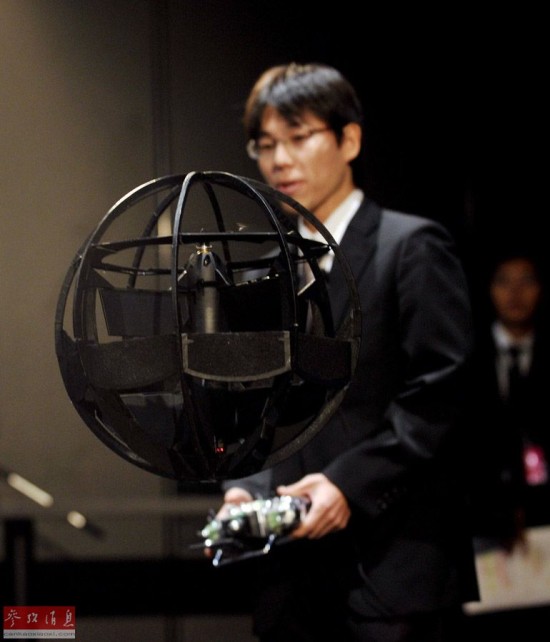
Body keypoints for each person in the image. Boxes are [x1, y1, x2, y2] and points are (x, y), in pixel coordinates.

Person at [209, 62, 479, 642]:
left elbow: (443, 394)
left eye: (299, 137)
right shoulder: (267, 270)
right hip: (290, 576)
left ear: (349, 140)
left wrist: (347, 484)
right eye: (265, 145)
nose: (280, 160)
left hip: (391, 570)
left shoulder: (411, 246)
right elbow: (253, 404)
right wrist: (246, 489)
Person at [469, 251, 550, 553]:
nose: (515, 293)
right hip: (482, 514)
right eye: (504, 282)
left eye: (526, 281)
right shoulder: (466, 355)